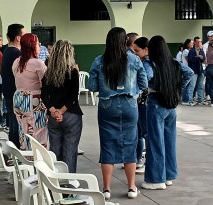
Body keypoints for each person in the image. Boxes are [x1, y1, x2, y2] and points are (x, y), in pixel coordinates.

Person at [88, 27, 148, 200]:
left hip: (107, 107)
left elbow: (92, 87)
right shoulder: (134, 60)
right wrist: (131, 90)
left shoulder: (99, 61)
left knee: (107, 146)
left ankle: (106, 190)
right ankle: (131, 188)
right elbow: (144, 83)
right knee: (130, 144)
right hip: (130, 105)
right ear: (125, 42)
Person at [142, 35, 194, 190]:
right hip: (171, 106)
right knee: (169, 142)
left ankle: (156, 180)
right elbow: (189, 72)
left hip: (156, 104)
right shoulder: (173, 62)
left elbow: (146, 78)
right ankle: (169, 176)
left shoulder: (149, 63)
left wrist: (151, 88)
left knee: (155, 142)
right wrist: (177, 86)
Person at [41, 40, 83, 173]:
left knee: (55, 151)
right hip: (71, 114)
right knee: (70, 152)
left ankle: (55, 181)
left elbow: (44, 94)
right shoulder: (72, 72)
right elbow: (73, 97)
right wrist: (61, 111)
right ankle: (68, 183)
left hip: (53, 117)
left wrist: (53, 110)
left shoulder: (48, 72)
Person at [12, 33, 48, 150]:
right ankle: (38, 159)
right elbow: (46, 84)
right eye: (38, 43)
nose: (39, 45)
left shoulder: (17, 62)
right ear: (33, 45)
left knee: (23, 130)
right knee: (38, 131)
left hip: (18, 98)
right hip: (34, 99)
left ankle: (25, 155)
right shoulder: (38, 63)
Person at [1, 24, 25, 148]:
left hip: (9, 92)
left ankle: (13, 151)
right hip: (14, 93)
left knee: (12, 122)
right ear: (18, 38)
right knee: (15, 124)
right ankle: (15, 151)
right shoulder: (15, 53)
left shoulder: (7, 51)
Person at [133, 37, 149, 173]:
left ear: (146, 50)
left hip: (145, 102)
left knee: (145, 132)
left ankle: (146, 162)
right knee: (138, 131)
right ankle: (137, 159)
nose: (135, 53)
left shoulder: (147, 64)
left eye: (137, 51)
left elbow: (145, 83)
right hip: (139, 102)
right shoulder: (141, 61)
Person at [187, 36, 206, 105]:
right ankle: (190, 101)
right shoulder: (191, 51)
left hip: (201, 71)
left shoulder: (201, 50)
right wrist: (198, 58)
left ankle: (200, 100)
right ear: (194, 42)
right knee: (192, 86)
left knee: (200, 86)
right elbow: (190, 60)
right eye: (198, 42)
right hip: (194, 71)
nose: (199, 43)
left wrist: (200, 58)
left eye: (200, 42)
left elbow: (204, 59)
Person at [181, 39, 193, 104]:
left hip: (187, 69)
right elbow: (189, 60)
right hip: (186, 69)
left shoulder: (188, 51)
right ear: (188, 44)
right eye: (191, 43)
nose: (192, 44)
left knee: (188, 85)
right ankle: (185, 100)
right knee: (186, 85)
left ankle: (187, 99)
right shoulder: (186, 51)